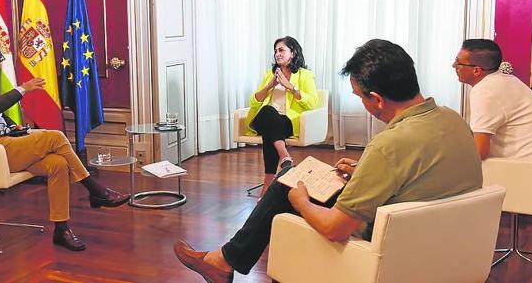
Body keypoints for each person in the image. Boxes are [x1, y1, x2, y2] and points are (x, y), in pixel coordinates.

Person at [174, 39, 482, 283]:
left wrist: (302, 201)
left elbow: (335, 229)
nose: (362, 104)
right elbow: (422, 169)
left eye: (360, 97)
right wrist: (363, 171)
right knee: (296, 178)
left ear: (376, 98)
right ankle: (223, 260)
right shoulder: (453, 119)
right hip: (442, 243)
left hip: (390, 248)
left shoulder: (388, 145)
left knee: (289, 186)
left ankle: (223, 261)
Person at [0, 47, 130, 251]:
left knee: (57, 164)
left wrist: (14, 126)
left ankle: (61, 229)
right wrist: (23, 88)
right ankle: (94, 189)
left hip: (4, 143)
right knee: (55, 137)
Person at [244, 36, 318, 197]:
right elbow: (255, 102)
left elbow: (312, 103)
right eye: (275, 51)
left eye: (281, 50)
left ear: (293, 53)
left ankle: (267, 183)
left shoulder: (305, 75)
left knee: (270, 134)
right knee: (268, 112)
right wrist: (271, 85)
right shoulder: (268, 74)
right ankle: (284, 155)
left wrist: (290, 86)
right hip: (264, 118)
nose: (277, 54)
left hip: (287, 122)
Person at [453, 39, 532, 160]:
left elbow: (479, 152)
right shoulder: (508, 80)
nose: (454, 66)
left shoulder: (484, 90)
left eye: (458, 63)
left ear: (476, 70)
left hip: (523, 168)